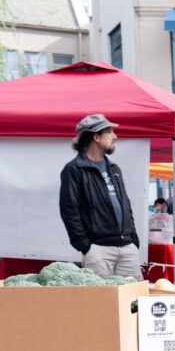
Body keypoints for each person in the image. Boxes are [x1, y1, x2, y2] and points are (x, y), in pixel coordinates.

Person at [59, 114, 141, 279]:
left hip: (127, 248)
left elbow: (126, 206)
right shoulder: (74, 169)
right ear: (96, 136)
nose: (115, 136)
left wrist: (133, 240)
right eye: (110, 132)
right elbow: (69, 211)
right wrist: (86, 246)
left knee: (134, 300)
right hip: (98, 250)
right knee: (103, 303)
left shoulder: (114, 168)